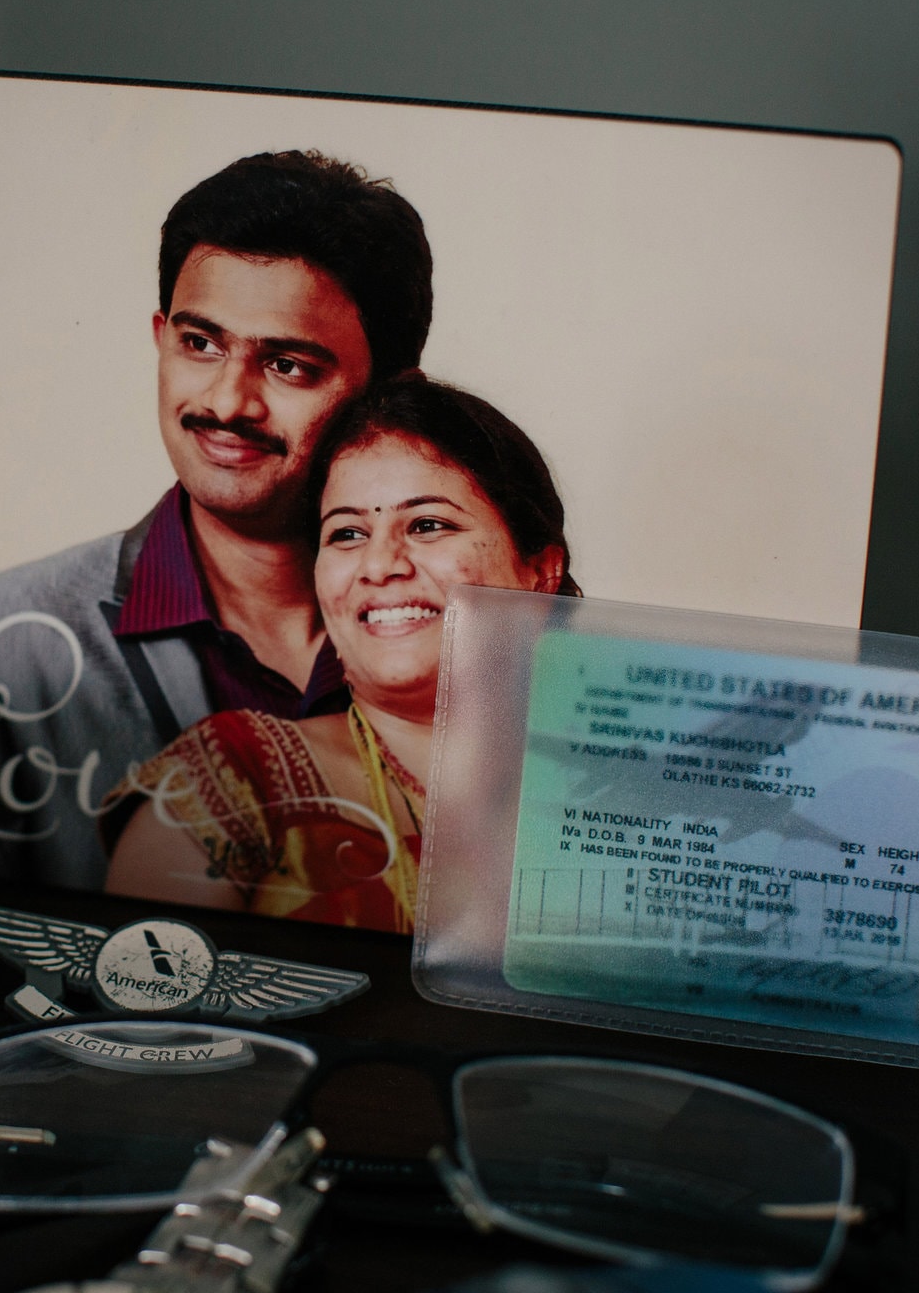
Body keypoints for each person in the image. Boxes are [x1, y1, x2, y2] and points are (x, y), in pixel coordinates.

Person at [0, 150, 433, 888]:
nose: (228, 402)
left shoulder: (468, 644)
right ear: (159, 335)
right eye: (199, 344)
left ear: (394, 397)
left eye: (289, 365)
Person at [101, 375, 579, 932]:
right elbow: (145, 1010)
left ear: (542, 572)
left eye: (427, 525)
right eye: (347, 534)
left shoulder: (627, 786)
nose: (379, 566)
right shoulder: (237, 781)